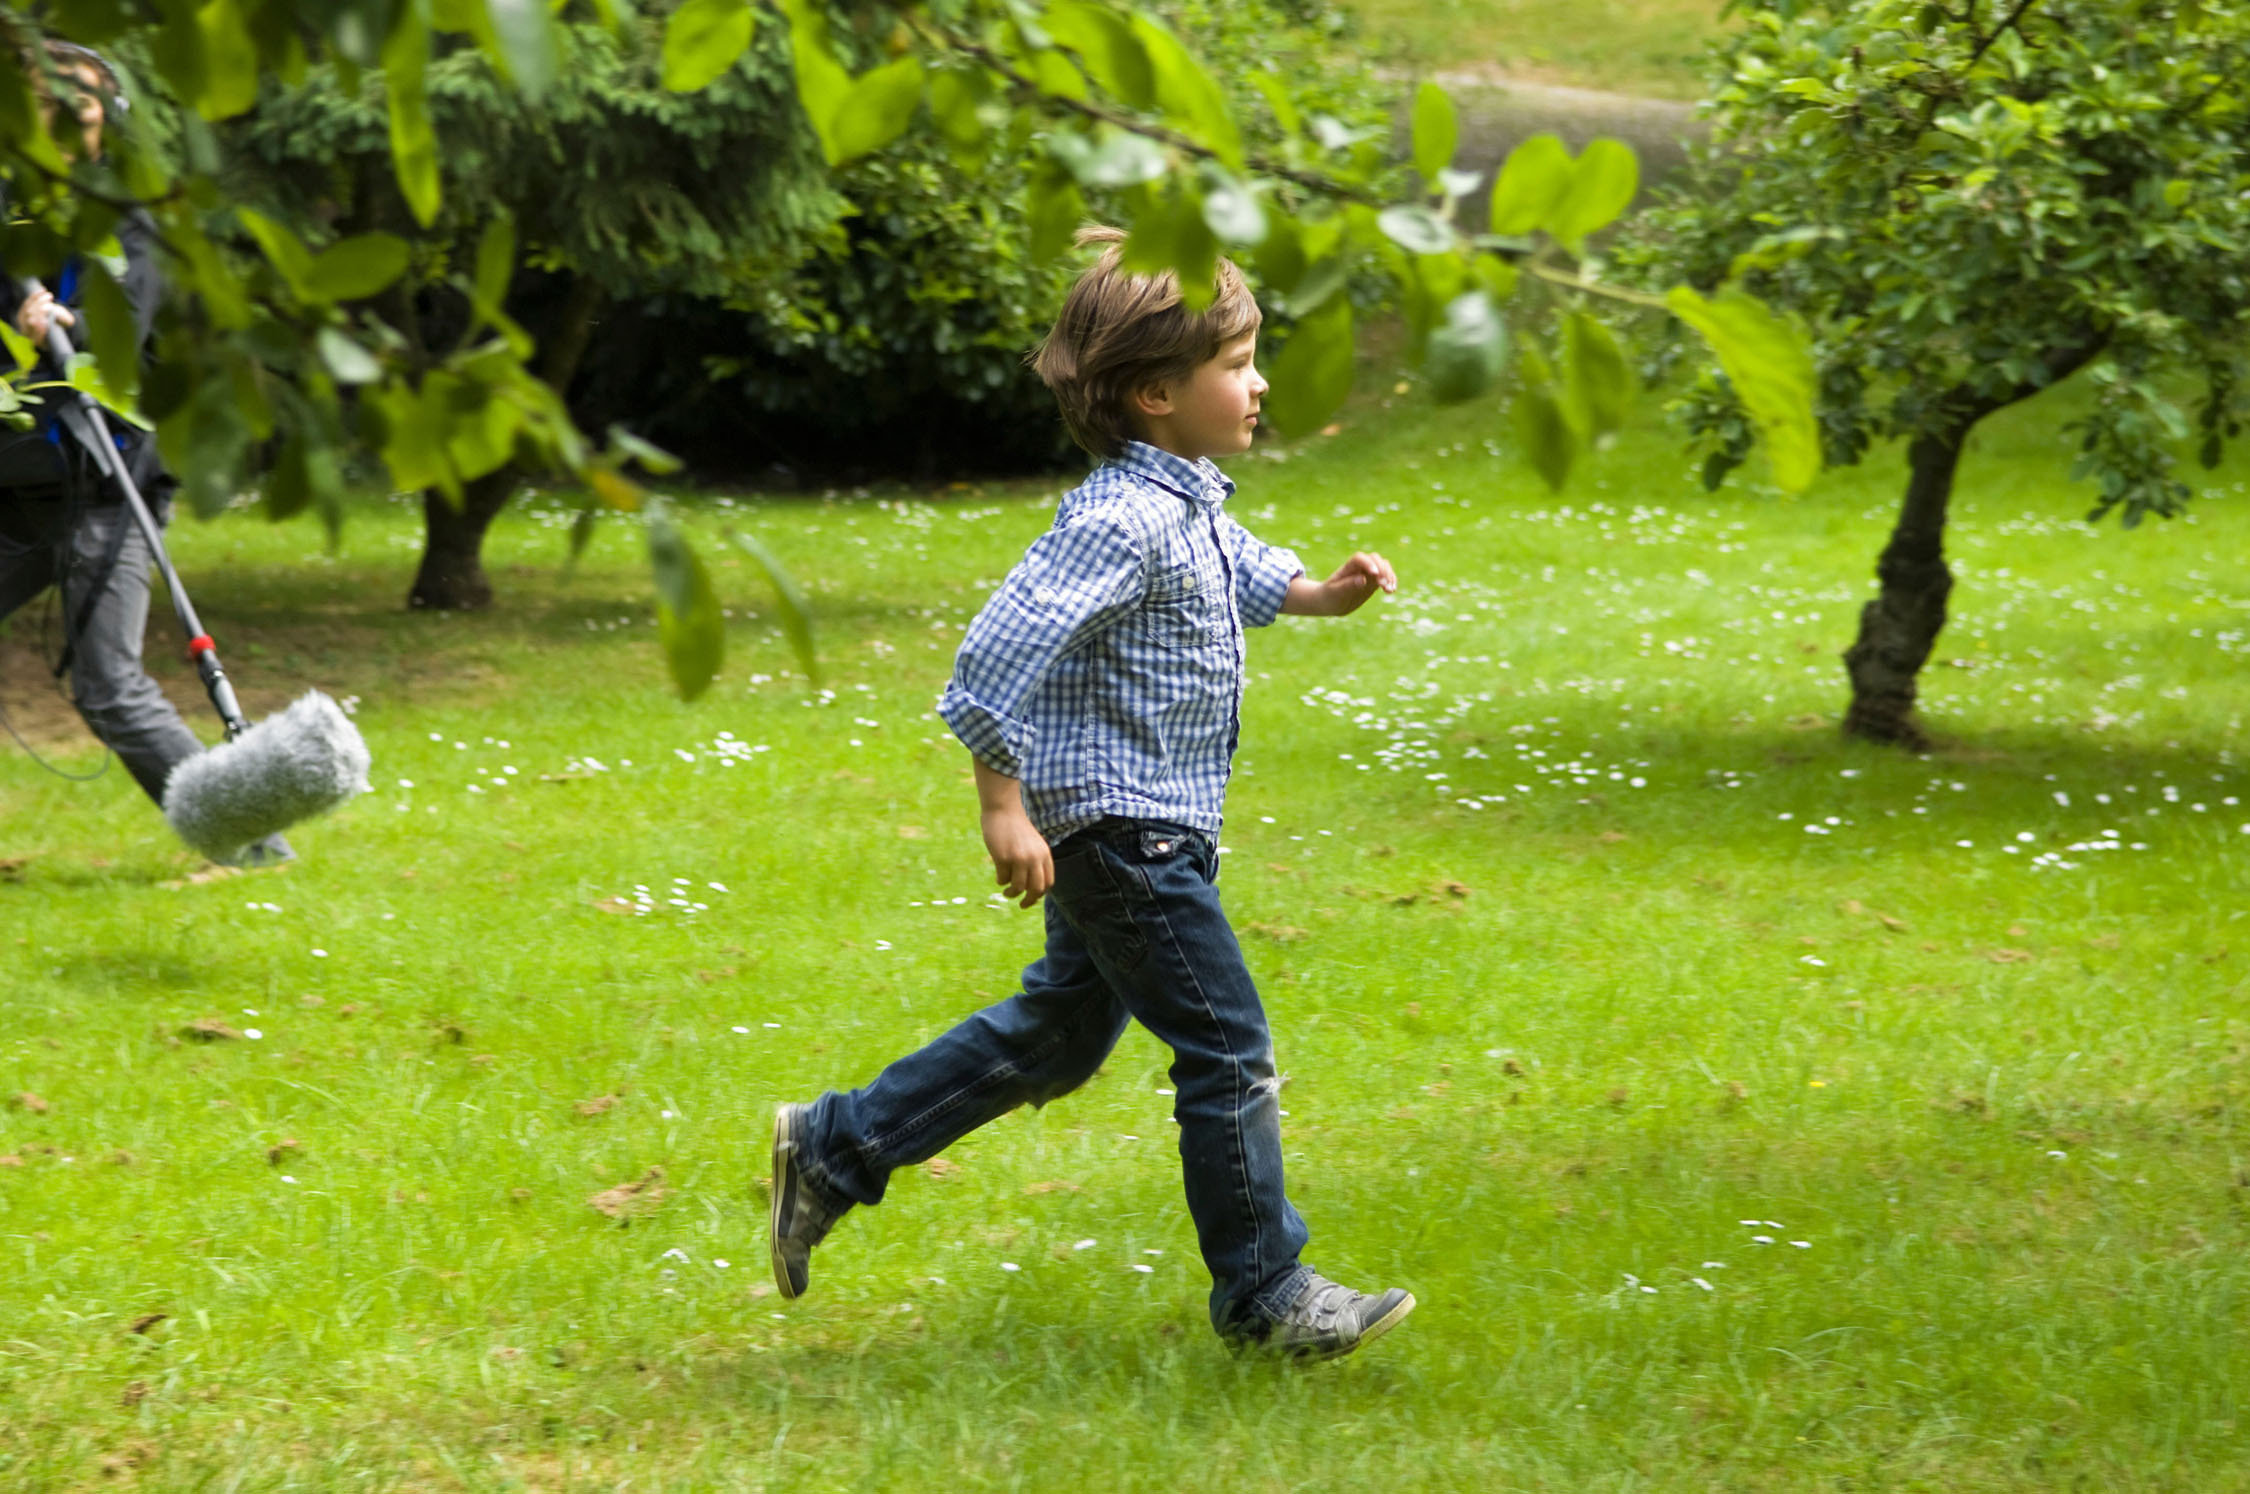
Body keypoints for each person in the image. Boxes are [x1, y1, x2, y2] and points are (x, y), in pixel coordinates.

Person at [767, 227, 1413, 1360]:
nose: (1259, 383)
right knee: (1227, 1048)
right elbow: (994, 654)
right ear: (1159, 392)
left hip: (1148, 823)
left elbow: (1241, 565)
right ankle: (1266, 1293)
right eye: (1238, 363)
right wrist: (999, 806)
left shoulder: (1186, 501)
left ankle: (835, 1149)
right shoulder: (1120, 517)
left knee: (1063, 1034)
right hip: (1124, 833)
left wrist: (1318, 594)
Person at [0, 40, 288, 864]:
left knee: (109, 688)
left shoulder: (134, 216)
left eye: (74, 109)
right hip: (18, 487)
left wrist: (62, 322)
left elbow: (122, 329)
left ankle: (252, 850)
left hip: (107, 486)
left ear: (106, 123)